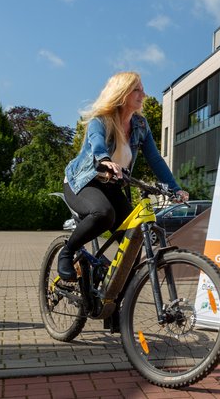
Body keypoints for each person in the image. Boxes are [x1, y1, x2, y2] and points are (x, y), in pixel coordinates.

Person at [58, 71, 189, 281]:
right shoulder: (101, 120)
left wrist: (174, 188)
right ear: (122, 93)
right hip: (82, 183)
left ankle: (115, 305)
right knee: (103, 213)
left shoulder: (141, 125)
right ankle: (67, 252)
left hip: (111, 187)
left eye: (142, 89)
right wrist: (104, 159)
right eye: (137, 89)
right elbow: (96, 142)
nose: (143, 94)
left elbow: (155, 160)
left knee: (133, 240)